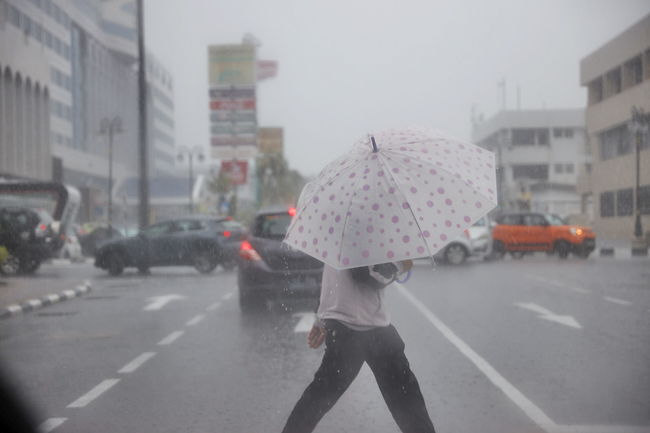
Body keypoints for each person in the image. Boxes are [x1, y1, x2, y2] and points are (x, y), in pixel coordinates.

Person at [281, 259, 436, 433]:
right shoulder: (359, 231)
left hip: (346, 331)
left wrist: (322, 316)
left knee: (317, 398)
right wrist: (400, 266)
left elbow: (332, 277)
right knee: (407, 404)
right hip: (370, 332)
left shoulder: (338, 233)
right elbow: (367, 274)